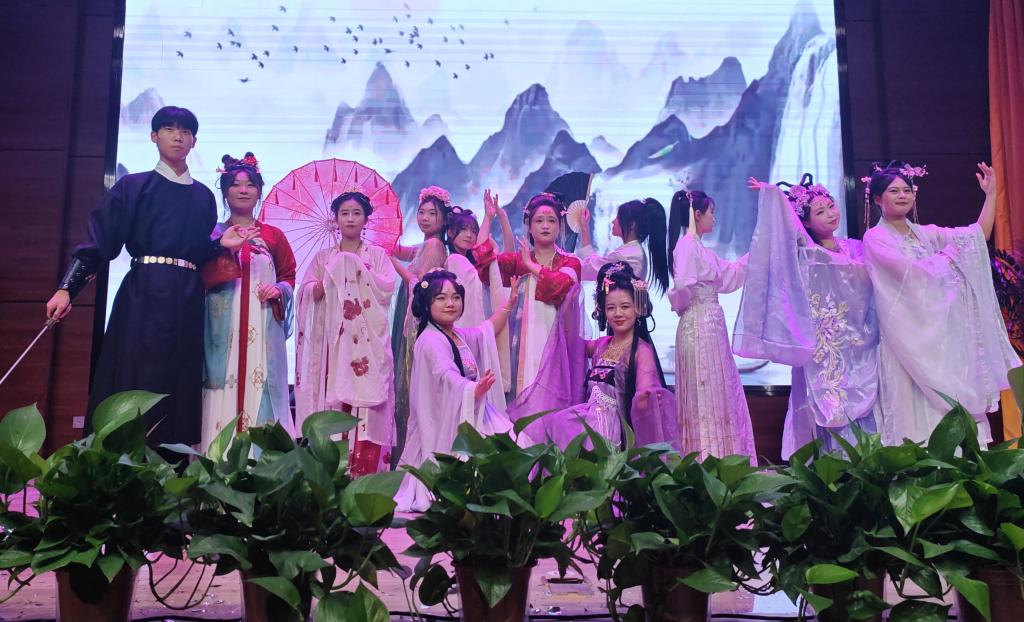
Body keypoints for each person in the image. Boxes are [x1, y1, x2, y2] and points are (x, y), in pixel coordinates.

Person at [45, 106, 250, 452]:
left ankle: (172, 471)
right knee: (134, 375)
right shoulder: (133, 186)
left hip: (187, 298)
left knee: (179, 382)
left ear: (194, 141)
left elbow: (196, 251)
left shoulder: (203, 196)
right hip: (144, 292)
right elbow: (100, 241)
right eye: (169, 129)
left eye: (185, 131)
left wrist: (219, 245)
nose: (177, 137)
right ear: (154, 136)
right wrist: (67, 288)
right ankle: (122, 466)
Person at [861, 161, 1019, 444]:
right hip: (904, 337)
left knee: (951, 396)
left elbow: (976, 237)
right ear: (877, 199)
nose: (902, 195)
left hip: (940, 338)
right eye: (894, 191)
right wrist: (950, 259)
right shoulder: (875, 238)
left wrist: (991, 195)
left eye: (907, 190)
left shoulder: (926, 234)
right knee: (912, 406)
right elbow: (910, 276)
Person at [735, 176, 879, 458]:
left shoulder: (855, 247)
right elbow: (787, 229)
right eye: (820, 212)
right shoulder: (807, 254)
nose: (830, 214)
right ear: (807, 223)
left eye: (831, 206)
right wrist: (775, 196)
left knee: (862, 398)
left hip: (858, 340)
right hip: (821, 344)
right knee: (821, 399)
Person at [394, 269, 519, 511]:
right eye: (441, 298)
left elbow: (485, 331)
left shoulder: (457, 335)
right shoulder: (431, 340)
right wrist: (473, 389)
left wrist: (510, 303)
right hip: (450, 417)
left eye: (455, 297)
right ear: (427, 304)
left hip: (470, 408)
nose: (450, 303)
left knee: (513, 441)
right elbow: (445, 376)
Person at [294, 190, 398, 475]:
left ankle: (364, 474)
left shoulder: (376, 255)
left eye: (356, 213)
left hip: (368, 345)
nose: (350, 218)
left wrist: (360, 271)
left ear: (366, 219)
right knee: (336, 399)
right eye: (344, 213)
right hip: (334, 344)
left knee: (369, 409)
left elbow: (387, 288)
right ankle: (333, 472)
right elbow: (308, 291)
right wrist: (325, 282)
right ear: (335, 219)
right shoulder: (324, 257)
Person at [200, 152, 297, 450]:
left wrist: (278, 290)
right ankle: (217, 458)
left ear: (259, 190)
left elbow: (289, 275)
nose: (243, 190)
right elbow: (200, 275)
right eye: (235, 184)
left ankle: (260, 463)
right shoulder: (212, 234)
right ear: (224, 191)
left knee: (263, 380)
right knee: (220, 383)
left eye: (250, 184)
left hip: (262, 322)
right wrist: (224, 249)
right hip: (222, 327)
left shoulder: (273, 236)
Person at [543, 262, 679, 448]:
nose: (618, 313)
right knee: (555, 423)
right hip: (588, 421)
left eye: (625, 306)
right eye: (611, 308)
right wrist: (569, 305)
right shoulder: (601, 345)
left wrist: (645, 396)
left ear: (638, 309)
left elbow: (645, 394)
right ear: (603, 311)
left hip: (614, 431)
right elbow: (572, 343)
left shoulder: (641, 351)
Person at [668, 189, 756, 460]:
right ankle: (707, 457)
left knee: (716, 389)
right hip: (699, 325)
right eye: (711, 212)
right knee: (704, 388)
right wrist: (688, 304)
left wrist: (758, 250)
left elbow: (731, 273)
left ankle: (722, 455)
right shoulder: (686, 245)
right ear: (697, 215)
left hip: (709, 324)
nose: (714, 218)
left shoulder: (699, 248)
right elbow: (682, 286)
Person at [478, 192, 583, 403]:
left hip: (557, 342)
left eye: (551, 221)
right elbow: (484, 261)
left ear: (560, 226)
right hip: (522, 344)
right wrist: (490, 218)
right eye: (539, 220)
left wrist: (530, 266)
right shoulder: (518, 261)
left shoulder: (570, 262)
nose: (545, 226)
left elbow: (559, 287)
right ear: (529, 226)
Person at [390, 186, 450, 466]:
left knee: (410, 379)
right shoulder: (426, 245)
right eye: (422, 212)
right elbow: (404, 251)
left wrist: (393, 262)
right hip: (412, 315)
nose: (424, 217)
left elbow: (420, 283)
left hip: (418, 319)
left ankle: (411, 451)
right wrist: (386, 242)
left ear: (444, 219)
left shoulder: (435, 246)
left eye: (432, 214)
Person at [576, 198, 671, 294]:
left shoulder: (626, 256)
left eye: (618, 217)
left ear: (632, 225)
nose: (613, 221)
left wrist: (584, 227)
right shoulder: (634, 252)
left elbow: (590, 268)